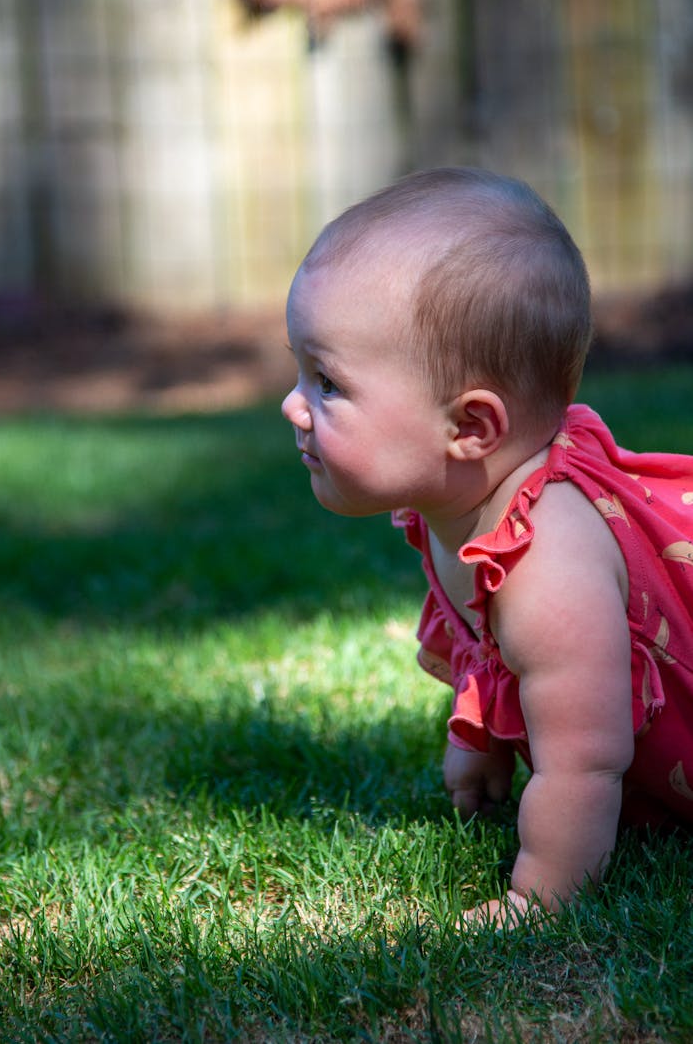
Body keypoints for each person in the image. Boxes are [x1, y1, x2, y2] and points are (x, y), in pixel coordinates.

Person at [281, 166, 693, 928]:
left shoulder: (548, 562)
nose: (292, 405)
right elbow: (495, 653)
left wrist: (540, 894)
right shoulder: (460, 508)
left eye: (328, 384)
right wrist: (483, 741)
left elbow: (585, 759)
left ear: (471, 429)